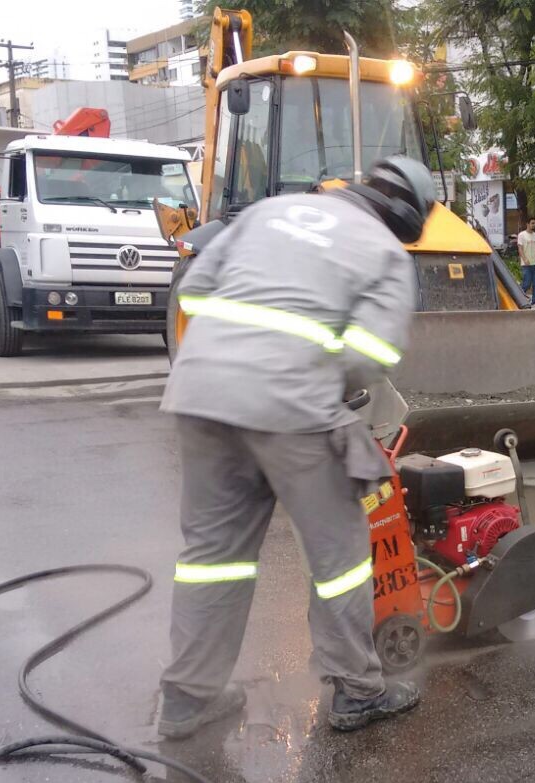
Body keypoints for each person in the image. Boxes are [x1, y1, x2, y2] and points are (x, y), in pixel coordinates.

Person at [157, 156, 437, 738]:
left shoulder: (270, 211)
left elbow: (196, 287)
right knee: (339, 558)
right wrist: (323, 379)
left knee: (213, 558)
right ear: (406, 218)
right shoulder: (383, 252)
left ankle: (187, 699)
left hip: (200, 392)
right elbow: (372, 352)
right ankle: (358, 691)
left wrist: (235, 350)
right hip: (293, 406)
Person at [516, 217, 535, 307]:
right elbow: (520, 248)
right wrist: (524, 258)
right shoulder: (521, 235)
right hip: (526, 264)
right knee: (526, 283)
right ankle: (519, 298)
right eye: (532, 223)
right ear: (527, 224)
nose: (533, 225)